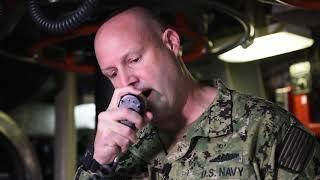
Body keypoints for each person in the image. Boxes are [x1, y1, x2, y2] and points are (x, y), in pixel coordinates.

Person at [75, 6, 320, 180]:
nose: (127, 81)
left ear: (171, 43)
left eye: (135, 59)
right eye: (113, 74)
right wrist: (99, 161)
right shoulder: (121, 146)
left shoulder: (267, 128)